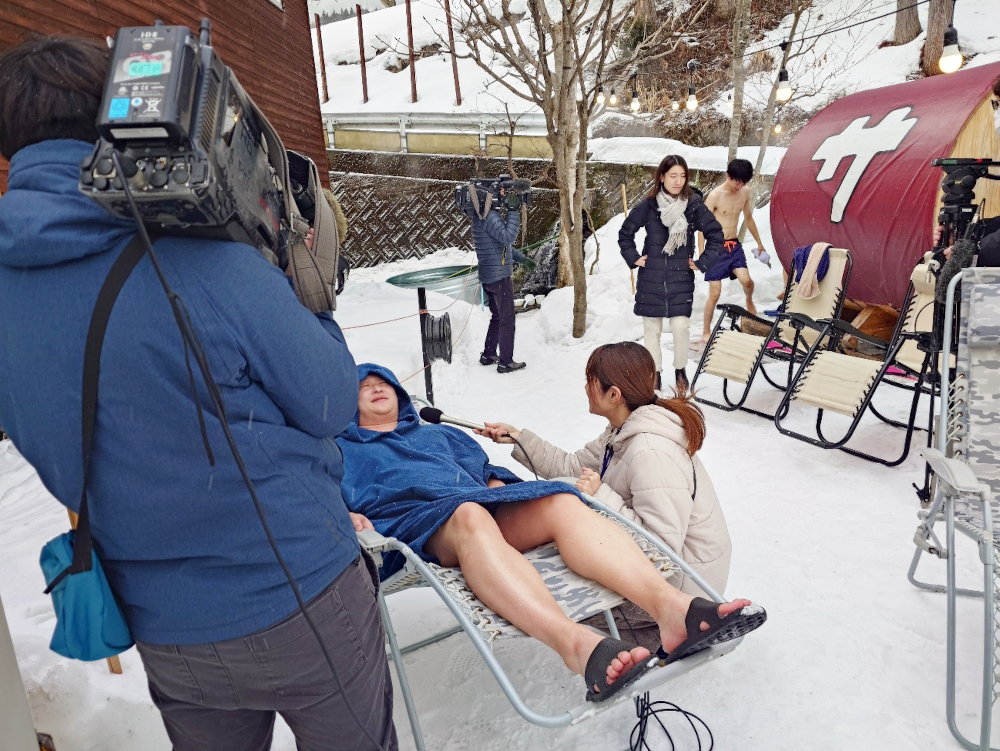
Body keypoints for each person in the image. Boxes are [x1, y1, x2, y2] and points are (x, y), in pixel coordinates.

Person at [0, 37, 396, 751]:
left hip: (166, 631)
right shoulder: (203, 262)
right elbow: (332, 402)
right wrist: (309, 297)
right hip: (300, 595)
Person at [337, 364, 765, 702]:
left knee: (561, 499)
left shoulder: (441, 435)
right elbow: (321, 496)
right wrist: (346, 515)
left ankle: (673, 611)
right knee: (470, 516)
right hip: (418, 525)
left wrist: (501, 488)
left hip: (480, 505)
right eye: (364, 386)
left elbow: (484, 472)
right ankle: (575, 645)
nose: (376, 388)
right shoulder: (340, 451)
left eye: (384, 382)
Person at [478, 342, 732, 650]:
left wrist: (602, 496)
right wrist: (519, 439)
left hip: (684, 587)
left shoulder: (650, 451)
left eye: (591, 381)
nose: (586, 388)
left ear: (614, 395)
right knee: (566, 554)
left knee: (548, 593)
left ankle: (667, 633)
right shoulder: (623, 429)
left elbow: (663, 551)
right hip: (665, 570)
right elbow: (572, 466)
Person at [619, 155, 726, 393]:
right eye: (673, 176)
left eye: (682, 176)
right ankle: (655, 374)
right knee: (652, 330)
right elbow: (625, 233)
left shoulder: (693, 205)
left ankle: (680, 369)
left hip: (680, 280)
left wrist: (702, 262)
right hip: (651, 280)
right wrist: (634, 258)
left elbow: (716, 236)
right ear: (662, 177)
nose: (678, 181)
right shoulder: (649, 205)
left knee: (680, 327)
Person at [697, 159, 770, 342]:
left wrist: (759, 242)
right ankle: (706, 330)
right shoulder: (715, 196)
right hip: (715, 248)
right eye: (737, 181)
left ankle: (749, 300)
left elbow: (748, 218)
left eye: (743, 182)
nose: (739, 186)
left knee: (748, 282)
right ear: (728, 176)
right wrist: (701, 252)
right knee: (715, 293)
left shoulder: (745, 191)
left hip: (734, 246)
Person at [465, 188, 534, 373]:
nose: (503, 197)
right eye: (500, 194)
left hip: (489, 276)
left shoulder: (481, 217)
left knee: (497, 317)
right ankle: (506, 362)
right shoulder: (490, 217)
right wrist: (513, 210)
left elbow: (501, 246)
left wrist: (522, 259)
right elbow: (508, 238)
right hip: (499, 278)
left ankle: (488, 354)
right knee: (507, 319)